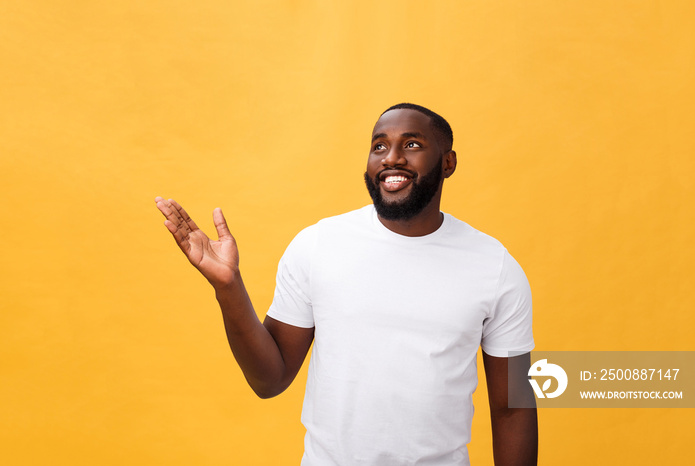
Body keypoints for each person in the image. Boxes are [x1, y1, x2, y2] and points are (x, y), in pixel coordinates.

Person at [155, 103, 537, 465]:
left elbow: (513, 407)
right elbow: (269, 379)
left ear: (448, 162)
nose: (392, 158)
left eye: (413, 144)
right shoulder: (318, 245)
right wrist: (229, 288)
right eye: (379, 146)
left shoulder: (494, 267)